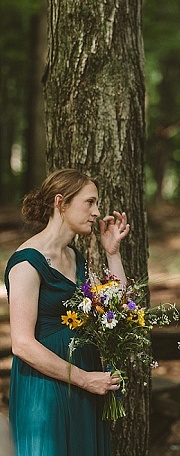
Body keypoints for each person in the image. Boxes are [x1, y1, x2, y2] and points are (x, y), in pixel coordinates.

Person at [4, 169, 129, 455]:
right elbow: (22, 344)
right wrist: (84, 378)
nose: (97, 212)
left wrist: (112, 253)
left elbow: (119, 308)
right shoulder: (26, 263)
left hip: (84, 385)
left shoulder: (75, 257)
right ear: (61, 202)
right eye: (90, 202)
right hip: (46, 389)